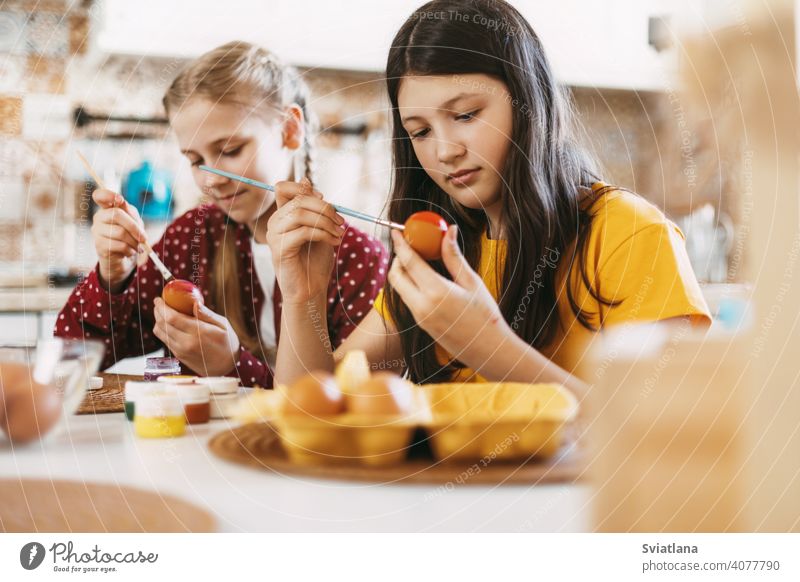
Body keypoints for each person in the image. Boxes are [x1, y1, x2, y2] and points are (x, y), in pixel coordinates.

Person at [270, 0, 711, 397]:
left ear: (528, 101)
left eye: (465, 115)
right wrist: (303, 295)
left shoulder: (628, 233)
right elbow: (310, 406)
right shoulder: (435, 254)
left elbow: (667, 437)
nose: (444, 151)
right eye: (420, 131)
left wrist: (489, 347)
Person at [55, 41, 388, 387]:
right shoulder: (192, 238)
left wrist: (231, 365)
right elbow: (71, 353)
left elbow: (340, 410)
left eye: (230, 150)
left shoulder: (356, 259)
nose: (211, 179)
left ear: (289, 130)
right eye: (195, 160)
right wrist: (114, 276)